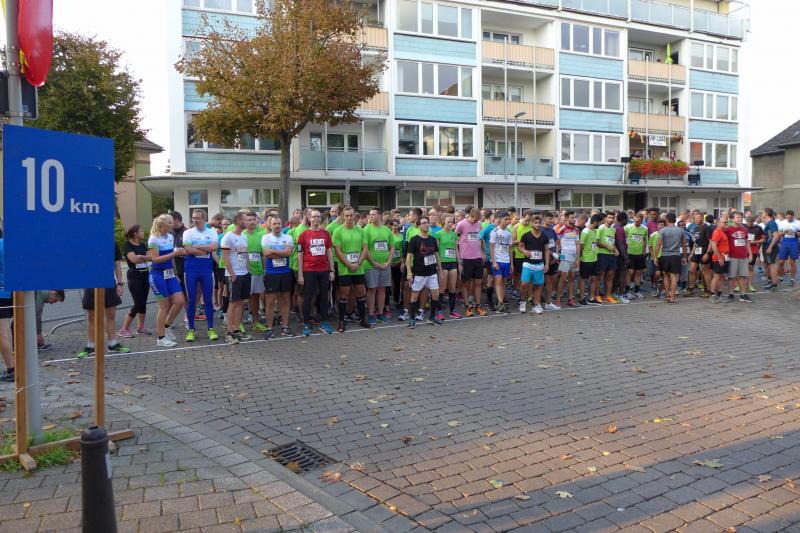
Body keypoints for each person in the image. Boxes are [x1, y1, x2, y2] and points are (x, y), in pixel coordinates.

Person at [77, 242, 131, 357]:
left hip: (108, 283)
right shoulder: (86, 243)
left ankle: (113, 344)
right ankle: (91, 346)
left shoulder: (112, 243)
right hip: (91, 283)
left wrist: (119, 284)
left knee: (111, 315)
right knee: (92, 316)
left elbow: (117, 264)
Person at [148, 214, 187, 347]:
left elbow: (171, 259)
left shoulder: (170, 237)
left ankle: (167, 325)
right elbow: (155, 259)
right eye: (169, 223)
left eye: (172, 222)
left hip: (169, 273)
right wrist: (174, 253)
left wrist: (175, 273)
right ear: (162, 225)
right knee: (164, 307)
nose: (173, 224)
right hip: (157, 274)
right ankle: (160, 338)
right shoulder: (153, 238)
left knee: (180, 301)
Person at [182, 210, 219, 342]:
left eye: (198, 218)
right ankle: (191, 329)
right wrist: (205, 249)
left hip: (206, 270)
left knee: (208, 300)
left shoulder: (212, 232)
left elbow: (214, 247)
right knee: (192, 300)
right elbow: (188, 249)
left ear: (204, 219)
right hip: (191, 270)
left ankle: (211, 328)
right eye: (193, 218)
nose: (195, 220)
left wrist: (197, 246)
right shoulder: (188, 232)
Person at [297, 210, 335, 336]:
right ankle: (306, 323)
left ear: (320, 219)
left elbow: (329, 252)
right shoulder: (303, 235)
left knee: (324, 296)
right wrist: (300, 274)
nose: (316, 219)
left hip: (323, 270)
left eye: (318, 217)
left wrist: (332, 270)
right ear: (309, 218)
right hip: (309, 270)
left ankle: (324, 322)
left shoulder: (325, 233)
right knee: (308, 297)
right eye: (313, 217)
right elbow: (300, 255)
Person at [332, 206, 370, 332]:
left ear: (354, 216)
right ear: (343, 216)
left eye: (351, 215)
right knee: (344, 294)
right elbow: (338, 251)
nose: (349, 217)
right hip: (345, 268)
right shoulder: (338, 231)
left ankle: (363, 319)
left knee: (360, 292)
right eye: (347, 215)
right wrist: (349, 264)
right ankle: (341, 321)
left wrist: (358, 263)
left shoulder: (360, 230)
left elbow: (365, 248)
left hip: (358, 267)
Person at [405, 216, 443, 328]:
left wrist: (440, 270)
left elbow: (436, 255)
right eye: (424, 223)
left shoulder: (432, 239)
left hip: (432, 272)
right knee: (415, 295)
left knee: (435, 294)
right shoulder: (414, 240)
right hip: (418, 273)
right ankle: (412, 319)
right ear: (418, 226)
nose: (426, 225)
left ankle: (432, 317)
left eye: (427, 222)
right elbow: (408, 258)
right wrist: (409, 273)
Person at [221, 211, 252, 344]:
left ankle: (236, 329)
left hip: (244, 273)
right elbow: (225, 257)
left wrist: (248, 270)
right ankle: (229, 333)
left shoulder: (244, 236)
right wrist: (232, 274)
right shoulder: (228, 237)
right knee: (233, 303)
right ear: (238, 221)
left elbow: (245, 254)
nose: (248, 222)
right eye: (246, 220)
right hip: (234, 275)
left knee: (240, 302)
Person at [261, 216, 295, 339]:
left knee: (285, 300)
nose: (277, 226)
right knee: (270, 302)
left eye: (279, 223)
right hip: (271, 273)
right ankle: (269, 328)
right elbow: (266, 253)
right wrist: (282, 252)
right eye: (274, 223)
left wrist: (274, 251)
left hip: (285, 272)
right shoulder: (266, 237)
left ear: (282, 225)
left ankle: (285, 326)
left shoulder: (288, 237)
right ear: (270, 226)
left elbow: (289, 253)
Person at [119, 225, 151, 337]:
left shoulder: (143, 244)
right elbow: (133, 259)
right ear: (135, 233)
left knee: (143, 303)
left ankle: (140, 327)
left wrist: (140, 256)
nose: (143, 233)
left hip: (145, 274)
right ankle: (124, 329)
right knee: (138, 303)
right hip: (134, 276)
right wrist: (143, 257)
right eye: (141, 231)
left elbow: (151, 257)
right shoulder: (128, 244)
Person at [364, 208, 394, 325]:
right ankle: (371, 314)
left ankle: (380, 314)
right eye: (370, 214)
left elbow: (391, 247)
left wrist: (388, 262)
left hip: (385, 265)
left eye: (373, 214)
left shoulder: (387, 230)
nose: (370, 216)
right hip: (371, 265)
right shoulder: (366, 229)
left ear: (379, 215)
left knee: (382, 289)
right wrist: (373, 262)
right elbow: (365, 249)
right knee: (372, 289)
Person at [456, 208, 487, 317]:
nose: (475, 221)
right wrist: (458, 256)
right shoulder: (461, 224)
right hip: (465, 257)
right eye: (474, 219)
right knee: (466, 283)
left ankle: (478, 305)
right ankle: (467, 306)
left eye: (477, 219)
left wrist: (482, 252)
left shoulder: (478, 224)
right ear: (470, 216)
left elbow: (479, 240)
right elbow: (455, 238)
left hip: (477, 257)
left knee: (478, 282)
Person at [517, 215, 549, 314]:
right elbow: (520, 246)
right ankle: (522, 301)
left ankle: (536, 304)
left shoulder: (544, 236)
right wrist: (524, 251)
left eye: (539, 223)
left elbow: (546, 250)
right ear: (532, 223)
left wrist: (547, 264)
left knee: (538, 285)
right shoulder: (526, 235)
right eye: (535, 222)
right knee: (524, 284)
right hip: (528, 263)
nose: (537, 224)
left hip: (539, 264)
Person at [653, 213, 687, 304]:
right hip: (676, 255)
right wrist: (684, 257)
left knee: (665, 276)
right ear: (675, 220)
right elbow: (684, 245)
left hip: (665, 256)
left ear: (667, 220)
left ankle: (667, 296)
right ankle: (673, 298)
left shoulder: (663, 230)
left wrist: (655, 257)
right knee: (674, 277)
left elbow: (658, 244)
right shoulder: (681, 230)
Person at [243, 212, 267, 330]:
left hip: (258, 270)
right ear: (245, 222)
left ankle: (256, 322)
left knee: (256, 297)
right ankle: (238, 324)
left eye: (253, 219)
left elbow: (263, 254)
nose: (252, 222)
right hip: (244, 271)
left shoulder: (261, 234)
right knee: (242, 297)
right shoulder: (242, 235)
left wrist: (264, 269)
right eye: (249, 220)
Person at [723, 212, 754, 303]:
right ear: (732, 219)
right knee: (731, 276)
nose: (740, 219)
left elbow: (747, 242)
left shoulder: (744, 229)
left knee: (743, 276)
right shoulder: (728, 229)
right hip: (732, 256)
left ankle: (743, 294)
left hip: (743, 256)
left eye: (741, 217)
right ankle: (731, 294)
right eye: (737, 217)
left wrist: (750, 254)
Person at [435, 215, 461, 319]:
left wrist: (459, 263)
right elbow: (436, 251)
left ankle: (452, 310)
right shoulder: (438, 234)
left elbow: (456, 249)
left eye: (452, 222)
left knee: (452, 287)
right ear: (443, 222)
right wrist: (438, 265)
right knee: (442, 288)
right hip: (443, 263)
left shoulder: (454, 234)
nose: (450, 224)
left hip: (453, 262)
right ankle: (439, 311)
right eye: (448, 222)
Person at [489, 211, 513, 313]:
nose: (507, 221)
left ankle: (501, 301)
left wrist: (511, 263)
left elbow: (510, 248)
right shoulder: (494, 231)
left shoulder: (509, 233)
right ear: (500, 220)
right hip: (497, 260)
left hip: (506, 260)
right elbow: (491, 247)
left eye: (508, 219)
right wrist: (494, 261)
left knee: (504, 282)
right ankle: (500, 302)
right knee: (498, 280)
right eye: (505, 219)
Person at [556, 211, 580, 307]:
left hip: (574, 256)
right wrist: (558, 254)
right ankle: (558, 299)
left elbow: (577, 244)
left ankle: (570, 299)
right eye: (571, 218)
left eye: (574, 218)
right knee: (562, 279)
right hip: (565, 256)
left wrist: (578, 259)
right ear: (566, 218)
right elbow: (556, 242)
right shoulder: (562, 229)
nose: (573, 219)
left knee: (571, 279)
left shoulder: (576, 230)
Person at [685, 211, 712, 297]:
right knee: (691, 270)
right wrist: (691, 254)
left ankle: (708, 290)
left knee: (705, 271)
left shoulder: (707, 228)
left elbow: (711, 242)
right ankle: (690, 289)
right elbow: (695, 243)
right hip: (696, 251)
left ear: (702, 218)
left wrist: (707, 253)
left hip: (704, 251)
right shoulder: (696, 228)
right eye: (695, 219)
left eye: (698, 218)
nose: (697, 220)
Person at [578, 213, 602, 306]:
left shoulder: (595, 231)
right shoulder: (585, 231)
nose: (600, 225)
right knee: (583, 279)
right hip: (586, 259)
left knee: (594, 278)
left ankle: (591, 298)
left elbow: (595, 244)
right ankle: (582, 298)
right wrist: (579, 259)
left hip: (594, 258)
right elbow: (581, 246)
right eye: (599, 223)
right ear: (595, 222)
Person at [596, 212, 619, 304]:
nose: (611, 219)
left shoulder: (613, 229)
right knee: (600, 276)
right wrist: (607, 246)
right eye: (609, 217)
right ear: (606, 218)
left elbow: (613, 242)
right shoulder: (601, 228)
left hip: (611, 255)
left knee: (610, 275)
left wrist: (615, 250)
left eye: (613, 218)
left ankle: (607, 296)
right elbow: (597, 242)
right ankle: (597, 295)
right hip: (602, 254)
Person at [623, 213, 648, 299]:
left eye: (638, 221)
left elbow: (644, 240)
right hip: (629, 253)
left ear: (641, 221)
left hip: (639, 254)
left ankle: (637, 291)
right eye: (635, 221)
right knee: (629, 272)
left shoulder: (644, 228)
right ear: (633, 219)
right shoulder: (627, 227)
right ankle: (627, 291)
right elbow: (623, 238)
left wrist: (644, 251)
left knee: (638, 272)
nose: (636, 222)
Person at [0, 234, 14, 382]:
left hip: (1, 293)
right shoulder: (12, 243)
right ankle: (15, 366)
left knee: (2, 333)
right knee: (8, 331)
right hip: (14, 292)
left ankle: (11, 368)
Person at [708, 215, 730, 303]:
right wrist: (720, 258)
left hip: (724, 257)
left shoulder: (722, 232)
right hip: (719, 258)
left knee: (721, 276)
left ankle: (719, 294)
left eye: (726, 222)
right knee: (716, 276)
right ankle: (712, 295)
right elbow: (714, 245)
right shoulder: (717, 232)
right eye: (724, 222)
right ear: (718, 223)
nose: (726, 223)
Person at [777, 209, 800, 286]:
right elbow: (778, 234)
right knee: (781, 262)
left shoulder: (798, 223)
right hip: (784, 242)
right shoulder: (782, 223)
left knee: (792, 262)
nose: (789, 219)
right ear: (786, 217)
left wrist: (794, 232)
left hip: (794, 242)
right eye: (788, 217)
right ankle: (780, 277)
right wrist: (785, 232)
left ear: (793, 216)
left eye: (790, 217)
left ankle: (792, 279)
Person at [761, 208, 781, 292]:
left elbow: (776, 236)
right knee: (769, 265)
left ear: (766, 213)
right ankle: (772, 282)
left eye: (763, 212)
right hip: (767, 246)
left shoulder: (772, 223)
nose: (762, 214)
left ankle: (774, 285)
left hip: (770, 247)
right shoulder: (769, 223)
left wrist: (770, 247)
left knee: (771, 265)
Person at [745, 215, 765, 293]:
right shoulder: (743, 226)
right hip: (743, 250)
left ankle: (749, 285)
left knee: (750, 267)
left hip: (753, 250)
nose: (749, 224)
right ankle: (738, 285)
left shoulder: (758, 228)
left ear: (753, 222)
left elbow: (763, 239)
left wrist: (755, 242)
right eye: (748, 223)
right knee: (741, 267)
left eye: (751, 223)